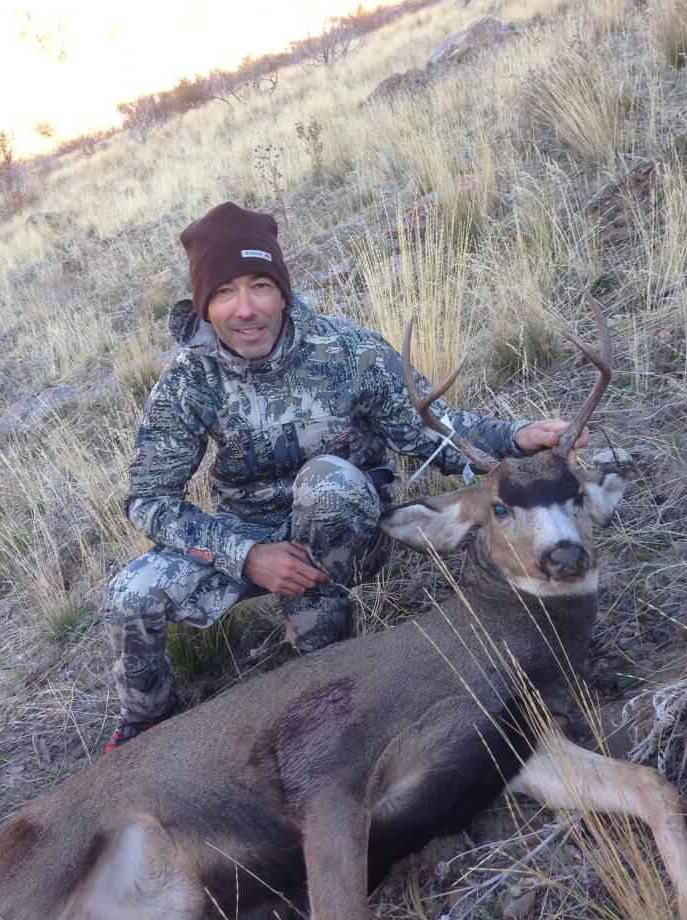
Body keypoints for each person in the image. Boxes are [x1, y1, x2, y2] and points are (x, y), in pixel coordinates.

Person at [102, 202, 587, 752]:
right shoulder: (187, 381)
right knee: (128, 593)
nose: (245, 309)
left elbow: (432, 433)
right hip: (246, 537)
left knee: (328, 484)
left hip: (347, 528)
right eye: (224, 293)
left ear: (282, 290)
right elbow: (148, 500)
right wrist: (247, 556)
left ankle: (320, 662)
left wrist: (519, 436)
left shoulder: (349, 351)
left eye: (260, 285)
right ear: (203, 306)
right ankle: (147, 727)